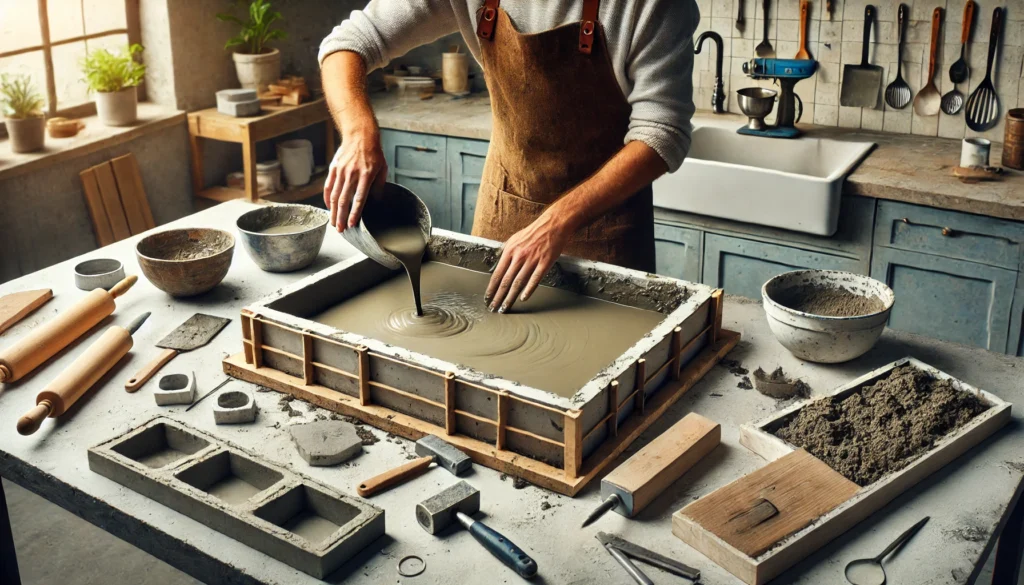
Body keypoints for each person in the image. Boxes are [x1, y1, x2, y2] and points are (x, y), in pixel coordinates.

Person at [320, 0, 699, 312]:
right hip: (504, 207)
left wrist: (557, 221)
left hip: (606, 228)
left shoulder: (653, 6)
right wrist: (358, 134)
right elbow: (349, 43)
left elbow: (662, 133)